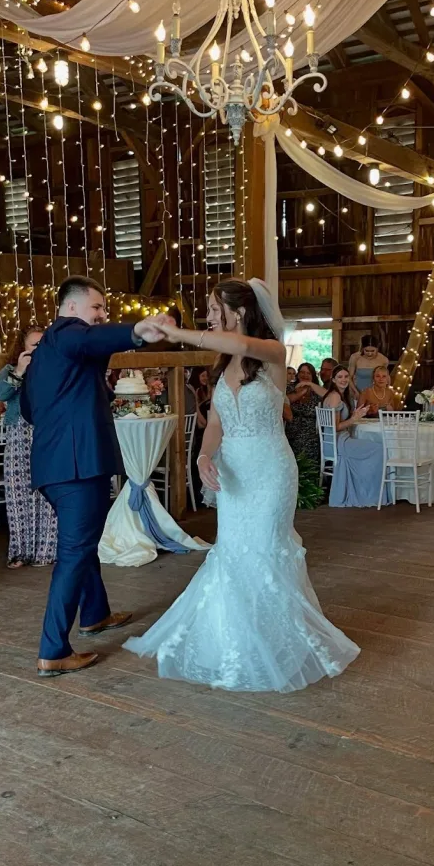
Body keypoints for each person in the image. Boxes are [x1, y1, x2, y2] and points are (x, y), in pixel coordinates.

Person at [123, 278, 360, 693]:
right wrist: (202, 456)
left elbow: (243, 346)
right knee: (233, 554)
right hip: (232, 472)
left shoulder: (270, 353)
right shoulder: (221, 367)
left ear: (239, 311)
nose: (209, 315)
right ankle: (234, 645)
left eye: (214, 308)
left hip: (270, 471)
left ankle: (277, 646)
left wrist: (176, 333)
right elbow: (215, 423)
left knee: (266, 551)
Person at [21, 275, 173, 678]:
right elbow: (87, 341)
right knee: (73, 553)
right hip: (77, 467)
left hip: (54, 468)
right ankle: (53, 649)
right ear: (71, 308)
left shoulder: (40, 359)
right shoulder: (68, 333)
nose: (102, 315)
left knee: (82, 543)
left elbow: (30, 411)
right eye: (97, 308)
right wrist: (138, 331)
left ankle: (95, 614)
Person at [0, 325, 58, 570]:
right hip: (19, 435)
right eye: (34, 345)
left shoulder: (55, 369)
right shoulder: (10, 370)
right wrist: (20, 370)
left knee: (48, 493)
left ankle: (46, 551)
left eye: (44, 344)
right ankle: (20, 551)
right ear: (22, 349)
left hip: (48, 434)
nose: (39, 350)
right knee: (18, 493)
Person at [323, 366, 387, 508]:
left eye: (346, 377)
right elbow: (335, 427)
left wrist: (356, 415)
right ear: (333, 379)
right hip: (338, 442)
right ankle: (368, 494)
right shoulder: (335, 397)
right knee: (380, 449)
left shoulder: (341, 395)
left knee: (373, 446)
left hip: (337, 441)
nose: (344, 380)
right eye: (340, 377)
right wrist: (354, 419)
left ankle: (363, 491)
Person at [285, 362, 325, 470]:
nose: (305, 375)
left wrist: (311, 385)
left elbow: (327, 395)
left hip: (311, 429)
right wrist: (301, 392)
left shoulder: (316, 390)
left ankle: (309, 478)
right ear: (297, 374)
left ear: (313, 376)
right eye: (302, 372)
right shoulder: (290, 388)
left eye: (308, 373)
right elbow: (286, 400)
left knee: (308, 441)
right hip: (292, 427)